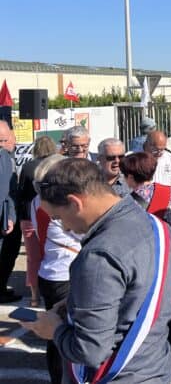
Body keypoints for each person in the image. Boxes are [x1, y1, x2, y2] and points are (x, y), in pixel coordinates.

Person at [23, 158, 171, 383]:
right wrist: (76, 302)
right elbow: (139, 293)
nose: (65, 227)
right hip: (156, 367)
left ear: (75, 203)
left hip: (117, 375)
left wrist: (54, 329)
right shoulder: (159, 228)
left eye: (58, 218)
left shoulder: (98, 256)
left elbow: (89, 351)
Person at [30, 154, 81, 384]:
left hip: (49, 271)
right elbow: (80, 234)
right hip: (65, 272)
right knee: (66, 335)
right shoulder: (57, 205)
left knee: (54, 334)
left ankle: (56, 378)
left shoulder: (35, 202)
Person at [16, 135, 56, 307]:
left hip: (29, 217)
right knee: (53, 254)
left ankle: (34, 297)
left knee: (33, 258)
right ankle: (53, 293)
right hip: (52, 216)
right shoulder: (57, 165)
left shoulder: (28, 167)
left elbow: (21, 193)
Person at [0, 120, 19, 304]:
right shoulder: (4, 158)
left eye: (5, 140)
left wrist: (11, 216)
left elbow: (9, 192)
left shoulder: (7, 158)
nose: (3, 144)